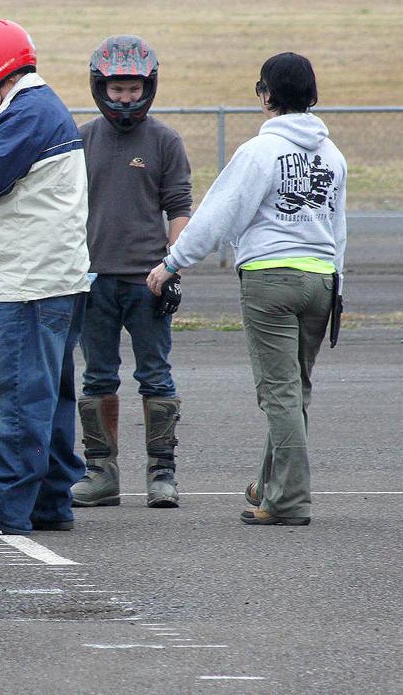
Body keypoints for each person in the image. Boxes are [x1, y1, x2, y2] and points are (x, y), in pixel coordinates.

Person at [147, 52, 346, 526]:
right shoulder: (333, 155)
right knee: (294, 391)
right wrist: (338, 284)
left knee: (278, 394)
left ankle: (289, 499)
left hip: (270, 279)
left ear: (265, 95)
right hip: (321, 278)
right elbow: (338, 227)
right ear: (312, 96)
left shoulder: (260, 152)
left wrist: (172, 262)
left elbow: (220, 214)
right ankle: (270, 486)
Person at [0, 19, 92, 536]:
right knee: (48, 395)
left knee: (17, 395)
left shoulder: (25, 110)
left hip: (27, 283)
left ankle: (4, 505)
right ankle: (50, 502)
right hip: (49, 278)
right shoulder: (34, 107)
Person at [70, 35, 193, 510]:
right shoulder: (80, 138)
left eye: (134, 89)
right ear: (102, 87)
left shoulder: (164, 140)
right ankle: (100, 473)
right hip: (93, 279)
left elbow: (179, 208)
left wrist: (172, 266)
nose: (125, 98)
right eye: (118, 89)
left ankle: (162, 473)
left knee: (156, 376)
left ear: (149, 88)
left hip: (149, 279)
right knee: (98, 377)